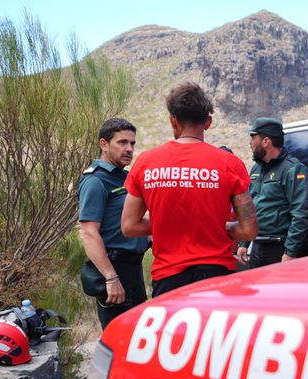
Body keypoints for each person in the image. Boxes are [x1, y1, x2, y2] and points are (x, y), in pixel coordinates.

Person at [121, 82, 257, 297]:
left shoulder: (146, 163)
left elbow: (129, 226)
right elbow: (249, 230)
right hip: (217, 276)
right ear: (208, 122)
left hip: (168, 278)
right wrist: (213, 226)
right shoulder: (230, 164)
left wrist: (171, 225)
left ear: (173, 121)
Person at [78, 118, 149, 330]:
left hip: (133, 268)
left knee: (137, 340)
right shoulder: (96, 181)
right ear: (104, 144)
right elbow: (89, 233)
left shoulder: (124, 178)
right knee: (120, 341)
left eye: (132, 144)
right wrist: (111, 278)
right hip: (114, 269)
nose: (129, 149)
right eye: (122, 142)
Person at [236, 118, 308, 268]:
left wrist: (290, 252)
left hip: (279, 248)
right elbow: (251, 208)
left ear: (265, 141)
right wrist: (244, 242)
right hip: (257, 247)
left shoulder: (293, 170)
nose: (250, 143)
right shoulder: (256, 170)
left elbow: (301, 214)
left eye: (253, 138)